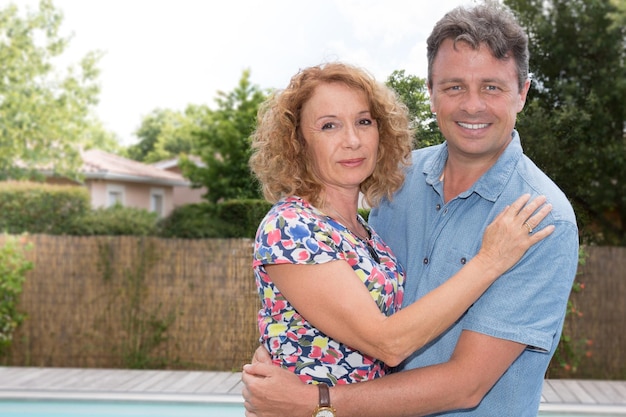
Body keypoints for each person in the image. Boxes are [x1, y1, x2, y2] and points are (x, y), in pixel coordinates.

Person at [242, 2, 579, 417]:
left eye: (492, 87)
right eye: (454, 86)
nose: (472, 105)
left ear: (523, 93)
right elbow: (372, 333)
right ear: (431, 91)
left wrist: (318, 400)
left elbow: (467, 385)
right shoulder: (396, 184)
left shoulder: (541, 219)